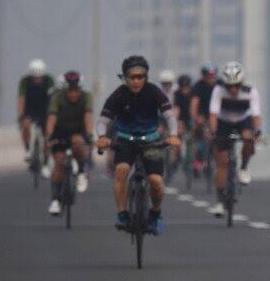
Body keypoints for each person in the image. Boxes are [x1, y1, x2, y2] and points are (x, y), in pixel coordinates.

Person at [95, 55, 180, 235]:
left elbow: (170, 117)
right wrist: (102, 136)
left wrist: (173, 135)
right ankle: (123, 213)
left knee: (156, 181)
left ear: (146, 77)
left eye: (140, 76)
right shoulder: (119, 95)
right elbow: (102, 120)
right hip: (125, 140)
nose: (136, 81)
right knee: (121, 171)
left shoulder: (154, 92)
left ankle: (155, 213)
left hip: (151, 140)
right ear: (125, 77)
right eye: (132, 77)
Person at [208, 62, 263, 216]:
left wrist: (257, 131)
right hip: (223, 121)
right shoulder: (218, 90)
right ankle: (219, 201)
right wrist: (213, 132)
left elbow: (256, 115)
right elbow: (213, 114)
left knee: (248, 138)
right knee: (223, 163)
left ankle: (244, 167)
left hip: (243, 121)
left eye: (236, 86)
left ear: (242, 83)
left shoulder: (251, 92)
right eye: (229, 86)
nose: (233, 90)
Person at [45, 71, 93, 215]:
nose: (73, 94)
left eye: (76, 90)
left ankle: (80, 172)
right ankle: (55, 199)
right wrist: (49, 137)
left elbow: (88, 116)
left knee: (78, 143)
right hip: (60, 130)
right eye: (70, 91)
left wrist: (89, 135)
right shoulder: (58, 97)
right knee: (59, 162)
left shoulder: (87, 96)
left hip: (79, 129)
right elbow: (52, 118)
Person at [18, 59, 55, 176]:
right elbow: (21, 99)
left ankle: (45, 164)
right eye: (34, 77)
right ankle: (28, 150)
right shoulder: (24, 81)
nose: (37, 80)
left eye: (39, 77)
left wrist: (52, 115)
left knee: (47, 138)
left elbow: (54, 99)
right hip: (30, 109)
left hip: (45, 109)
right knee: (26, 125)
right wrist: (21, 115)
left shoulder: (49, 80)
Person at [190, 63, 218, 174]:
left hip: (216, 115)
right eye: (209, 76)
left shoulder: (220, 85)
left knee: (215, 138)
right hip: (203, 114)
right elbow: (194, 104)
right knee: (199, 134)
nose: (211, 79)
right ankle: (198, 158)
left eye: (213, 76)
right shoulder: (198, 86)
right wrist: (196, 118)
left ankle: (213, 160)